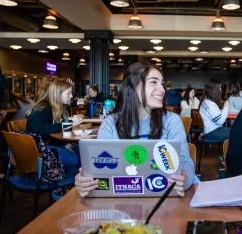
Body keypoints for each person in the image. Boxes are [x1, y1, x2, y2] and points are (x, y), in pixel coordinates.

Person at [74, 63, 195, 197]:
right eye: (153, 82)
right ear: (133, 87)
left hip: (164, 197)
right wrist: (86, 180)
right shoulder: (111, 123)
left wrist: (185, 178)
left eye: (162, 83)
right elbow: (100, 169)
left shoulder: (172, 120)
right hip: (121, 198)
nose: (162, 89)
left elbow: (184, 160)